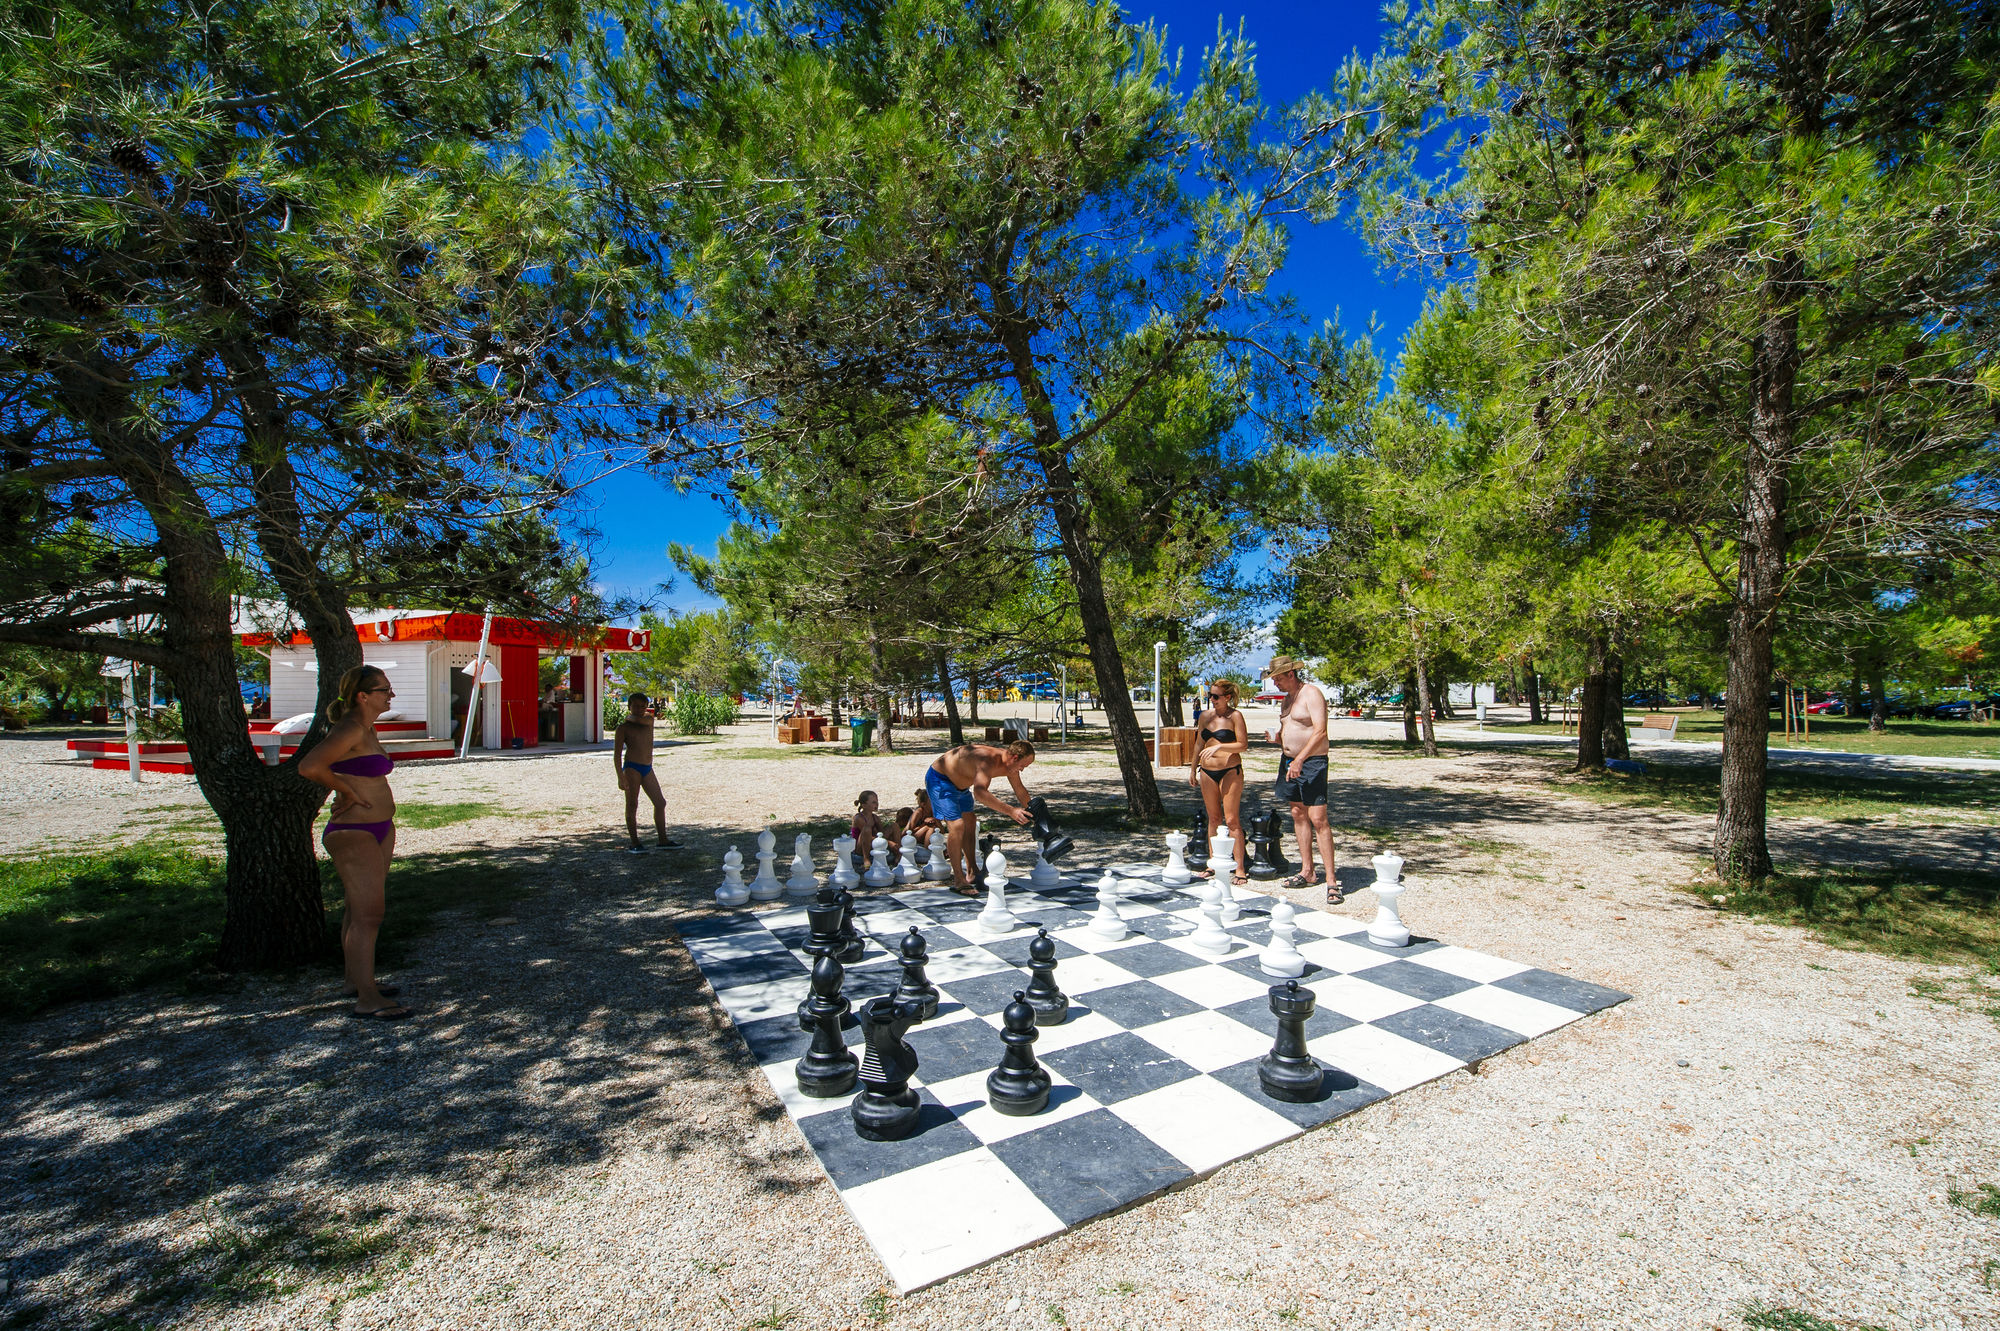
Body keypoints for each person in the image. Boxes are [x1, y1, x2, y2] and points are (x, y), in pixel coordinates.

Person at [299, 665, 411, 1020]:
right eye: (384, 690)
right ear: (363, 696)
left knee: (356, 909)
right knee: (369, 915)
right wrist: (345, 791)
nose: (390, 695)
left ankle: (355, 981)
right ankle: (368, 998)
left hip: (379, 827)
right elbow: (310, 766)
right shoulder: (349, 728)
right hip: (354, 831)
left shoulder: (367, 728)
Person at [1265, 654, 1340, 901]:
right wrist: (1279, 739)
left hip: (1311, 762)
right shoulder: (1287, 700)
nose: (1275, 683)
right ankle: (1307, 871)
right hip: (1289, 762)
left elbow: (1320, 731)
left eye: (1277, 678)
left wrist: (1300, 759)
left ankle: (1332, 881)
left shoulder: (1311, 693)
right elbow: (1292, 729)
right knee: (1298, 813)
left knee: (1318, 818)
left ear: (1291, 674)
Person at [925, 740, 1036, 895]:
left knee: (970, 821)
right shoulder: (988, 761)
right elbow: (979, 793)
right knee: (957, 825)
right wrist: (1011, 811)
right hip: (940, 780)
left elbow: (1020, 790)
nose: (1022, 770)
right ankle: (959, 880)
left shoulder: (1011, 766)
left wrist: (1035, 815)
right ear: (1015, 758)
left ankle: (972, 872)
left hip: (961, 786)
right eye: (1023, 766)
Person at [1188, 678, 1249, 885]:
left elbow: (1243, 745)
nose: (1211, 699)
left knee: (1232, 820)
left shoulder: (1235, 716)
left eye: (1215, 696)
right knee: (1214, 818)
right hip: (1207, 771)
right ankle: (1213, 863)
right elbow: (1199, 743)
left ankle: (1239, 868)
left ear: (1227, 697)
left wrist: (1220, 747)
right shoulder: (1205, 716)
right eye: (1210, 696)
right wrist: (1192, 768)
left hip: (1230, 770)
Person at [614, 693, 681, 853]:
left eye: (642, 706)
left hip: (647, 767)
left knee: (660, 803)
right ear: (629, 706)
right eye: (635, 706)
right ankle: (635, 842)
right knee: (632, 805)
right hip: (631, 768)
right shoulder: (623, 728)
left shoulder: (648, 720)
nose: (639, 709)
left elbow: (639, 720)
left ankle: (663, 840)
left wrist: (630, 717)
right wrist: (620, 777)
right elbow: (617, 755)